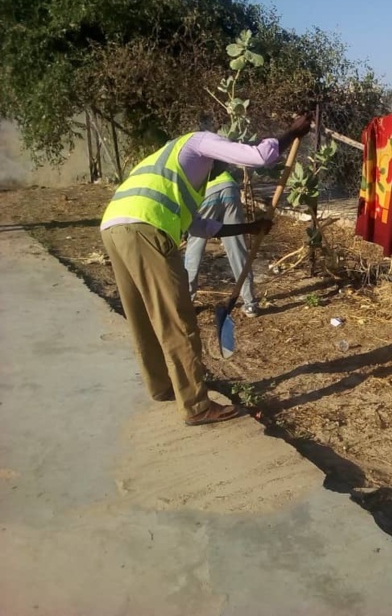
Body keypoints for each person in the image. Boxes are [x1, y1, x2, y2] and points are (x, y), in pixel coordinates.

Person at [100, 114, 313, 426]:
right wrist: (292, 133)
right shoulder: (201, 141)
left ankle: (162, 387)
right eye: (223, 162)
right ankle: (197, 406)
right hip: (145, 229)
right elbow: (260, 155)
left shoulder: (169, 162)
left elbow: (199, 226)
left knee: (142, 315)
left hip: (114, 227)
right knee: (177, 318)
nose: (223, 168)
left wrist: (250, 227)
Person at [184, 167, 259, 317]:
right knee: (237, 246)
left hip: (207, 191)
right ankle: (250, 304)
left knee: (194, 248)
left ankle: (186, 305)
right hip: (230, 188)